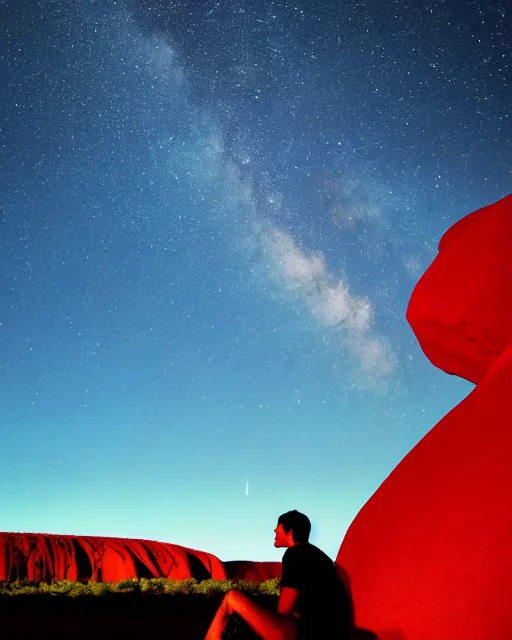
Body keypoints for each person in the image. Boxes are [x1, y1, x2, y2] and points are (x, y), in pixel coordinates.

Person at [205, 510, 353, 640]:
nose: (275, 530)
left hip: (312, 633)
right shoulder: (318, 556)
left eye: (279, 526)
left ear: (290, 531)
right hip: (332, 631)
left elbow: (284, 609)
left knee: (232, 598)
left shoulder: (294, 554)